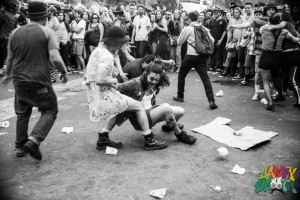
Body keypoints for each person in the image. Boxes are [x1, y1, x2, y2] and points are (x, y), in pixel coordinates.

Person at [2, 1, 68, 160]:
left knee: (23, 113)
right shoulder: (47, 32)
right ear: (45, 17)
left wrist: (7, 74)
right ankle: (34, 139)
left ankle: (19, 147)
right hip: (39, 81)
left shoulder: (14, 33)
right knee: (50, 109)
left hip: (19, 82)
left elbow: (10, 58)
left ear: (29, 16)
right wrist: (64, 73)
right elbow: (55, 58)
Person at [85, 26, 167, 151]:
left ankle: (103, 138)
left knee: (119, 108)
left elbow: (95, 74)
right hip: (104, 94)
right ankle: (149, 139)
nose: (122, 47)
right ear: (115, 42)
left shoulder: (99, 50)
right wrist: (113, 80)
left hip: (96, 93)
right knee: (138, 106)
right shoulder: (107, 56)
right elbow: (100, 80)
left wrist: (113, 74)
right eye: (122, 43)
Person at [113, 63, 197, 147]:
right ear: (145, 74)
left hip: (151, 113)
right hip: (140, 120)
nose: (154, 82)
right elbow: (117, 88)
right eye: (152, 78)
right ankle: (179, 134)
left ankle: (168, 126)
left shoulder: (156, 85)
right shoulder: (135, 82)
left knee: (181, 111)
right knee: (166, 108)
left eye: (157, 80)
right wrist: (108, 82)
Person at [173, 11, 218, 109]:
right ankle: (211, 101)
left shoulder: (187, 28)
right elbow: (212, 40)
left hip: (190, 56)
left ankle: (180, 96)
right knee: (205, 78)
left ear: (189, 19)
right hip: (202, 56)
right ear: (197, 18)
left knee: (181, 74)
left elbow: (179, 42)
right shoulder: (204, 28)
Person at [258, 13, 300, 111]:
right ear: (279, 22)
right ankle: (280, 93)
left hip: (266, 56)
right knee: (275, 75)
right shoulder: (284, 31)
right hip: (277, 58)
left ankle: (271, 103)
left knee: (265, 81)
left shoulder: (264, 29)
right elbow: (295, 39)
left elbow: (261, 29)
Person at [0, 0, 17, 76]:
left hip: (2, 38)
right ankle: (5, 69)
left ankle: (2, 70)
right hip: (8, 37)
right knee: (4, 55)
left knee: (1, 55)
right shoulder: (13, 15)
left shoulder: (4, 15)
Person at [208, 7, 227, 72]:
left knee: (219, 54)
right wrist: (209, 39)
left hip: (219, 40)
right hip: (212, 40)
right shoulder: (211, 21)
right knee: (212, 53)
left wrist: (221, 40)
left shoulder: (223, 21)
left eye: (217, 12)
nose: (215, 13)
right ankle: (212, 66)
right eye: (214, 12)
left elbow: (225, 31)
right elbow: (209, 30)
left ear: (219, 13)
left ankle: (219, 66)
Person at [70, 9, 86, 74]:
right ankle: (79, 68)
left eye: (76, 13)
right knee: (76, 55)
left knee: (79, 55)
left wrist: (73, 28)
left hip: (79, 40)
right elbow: (73, 29)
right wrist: (73, 28)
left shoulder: (82, 21)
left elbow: (78, 31)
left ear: (79, 14)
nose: (74, 14)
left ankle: (84, 69)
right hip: (75, 40)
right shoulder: (75, 21)